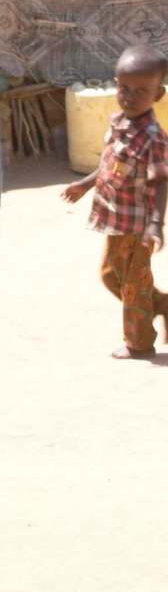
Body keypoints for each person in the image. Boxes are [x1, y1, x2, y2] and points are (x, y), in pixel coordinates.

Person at [61, 43, 168, 359]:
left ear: (158, 95)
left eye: (140, 91)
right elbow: (108, 164)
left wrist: (155, 225)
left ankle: (139, 342)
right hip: (114, 217)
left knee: (133, 284)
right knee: (110, 276)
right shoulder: (118, 122)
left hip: (138, 224)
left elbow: (162, 181)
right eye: (123, 88)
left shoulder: (153, 137)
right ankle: (162, 305)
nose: (129, 96)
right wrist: (83, 185)